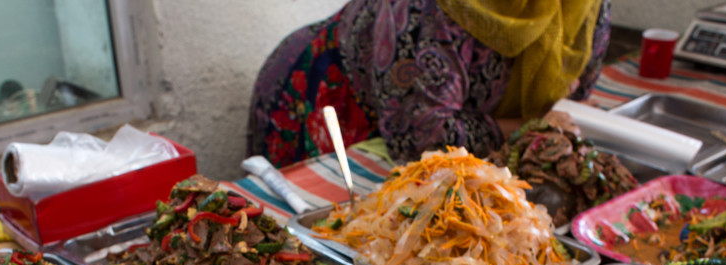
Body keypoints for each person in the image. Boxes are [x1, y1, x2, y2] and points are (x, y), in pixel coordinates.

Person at [247, 0, 611, 168]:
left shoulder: (586, 5)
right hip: (330, 104)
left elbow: (574, 97)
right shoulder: (431, 7)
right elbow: (422, 135)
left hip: (471, 147)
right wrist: (532, 125)